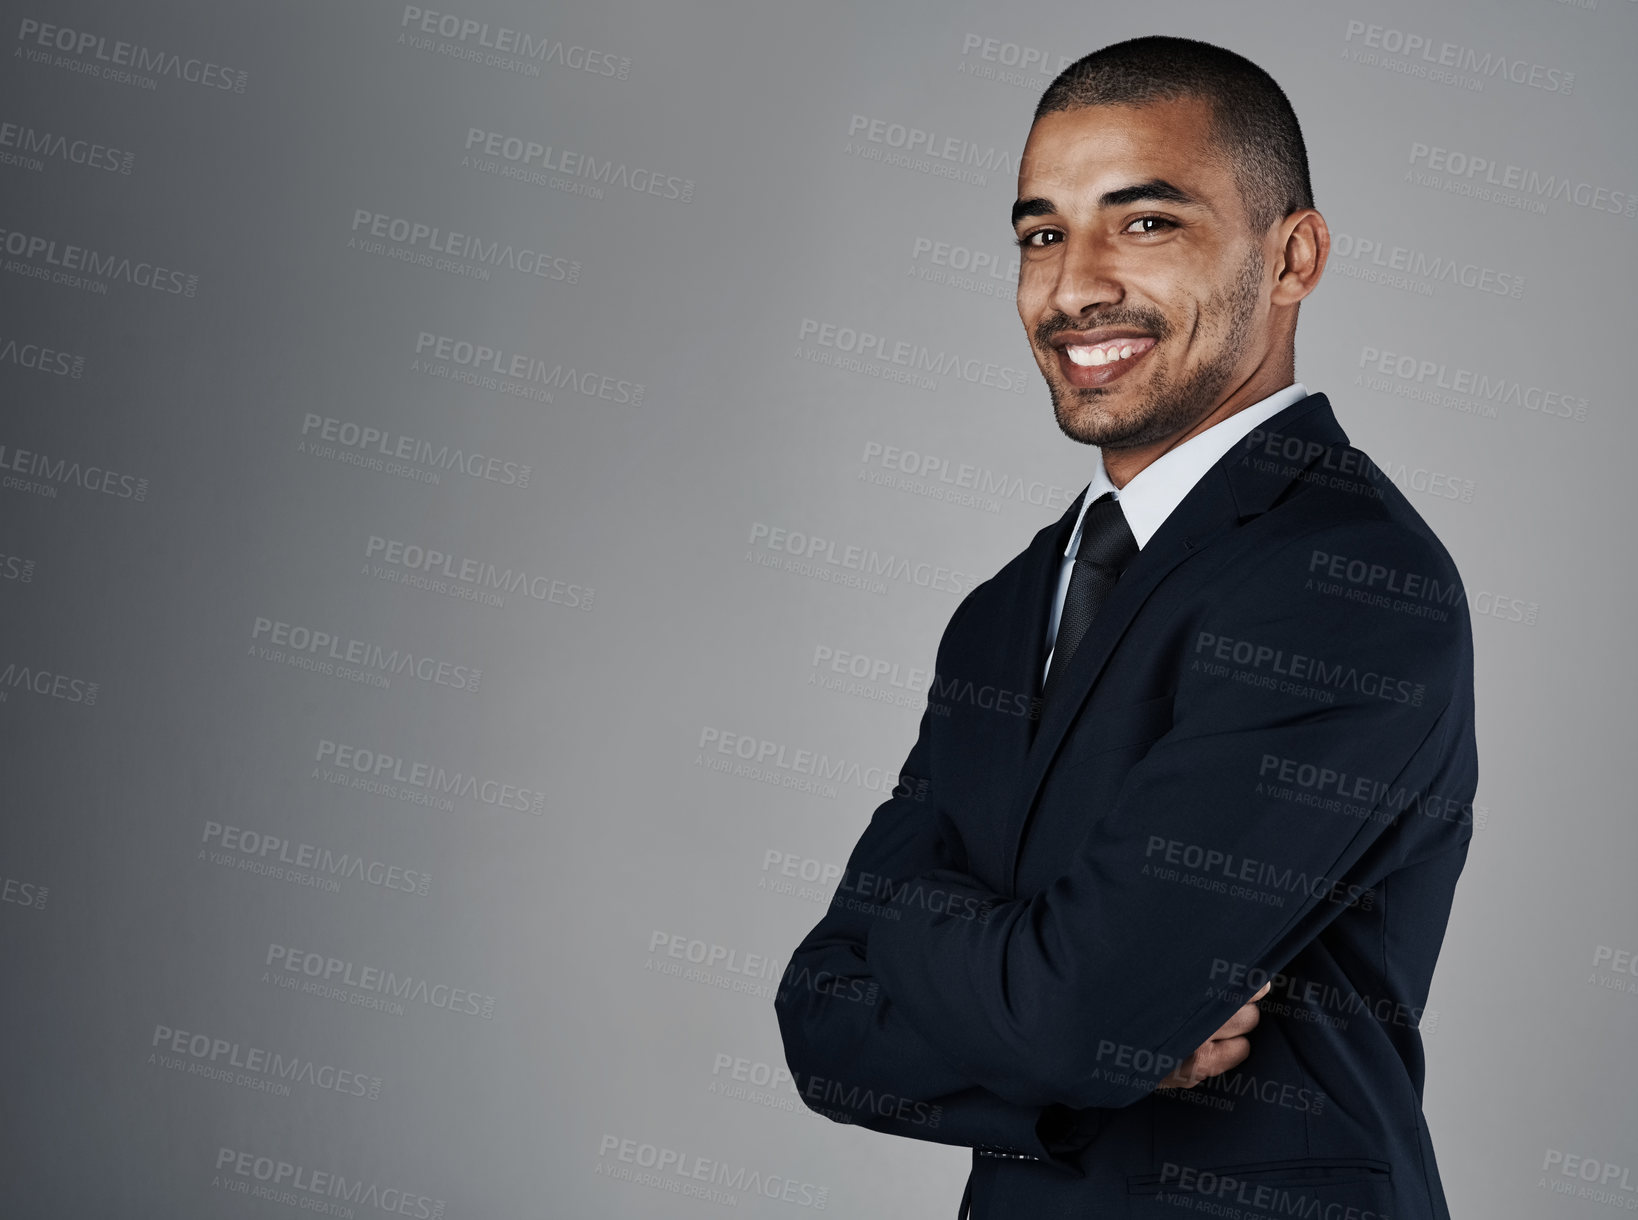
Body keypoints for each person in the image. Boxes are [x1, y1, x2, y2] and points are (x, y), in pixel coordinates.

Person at [773, 35, 1477, 1220]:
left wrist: (932, 940)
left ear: (1293, 254)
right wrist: (1065, 1028)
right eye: (1042, 232)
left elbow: (1076, 1010)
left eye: (1145, 223)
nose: (1074, 284)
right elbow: (820, 1021)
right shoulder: (1006, 606)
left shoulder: (1351, 578)